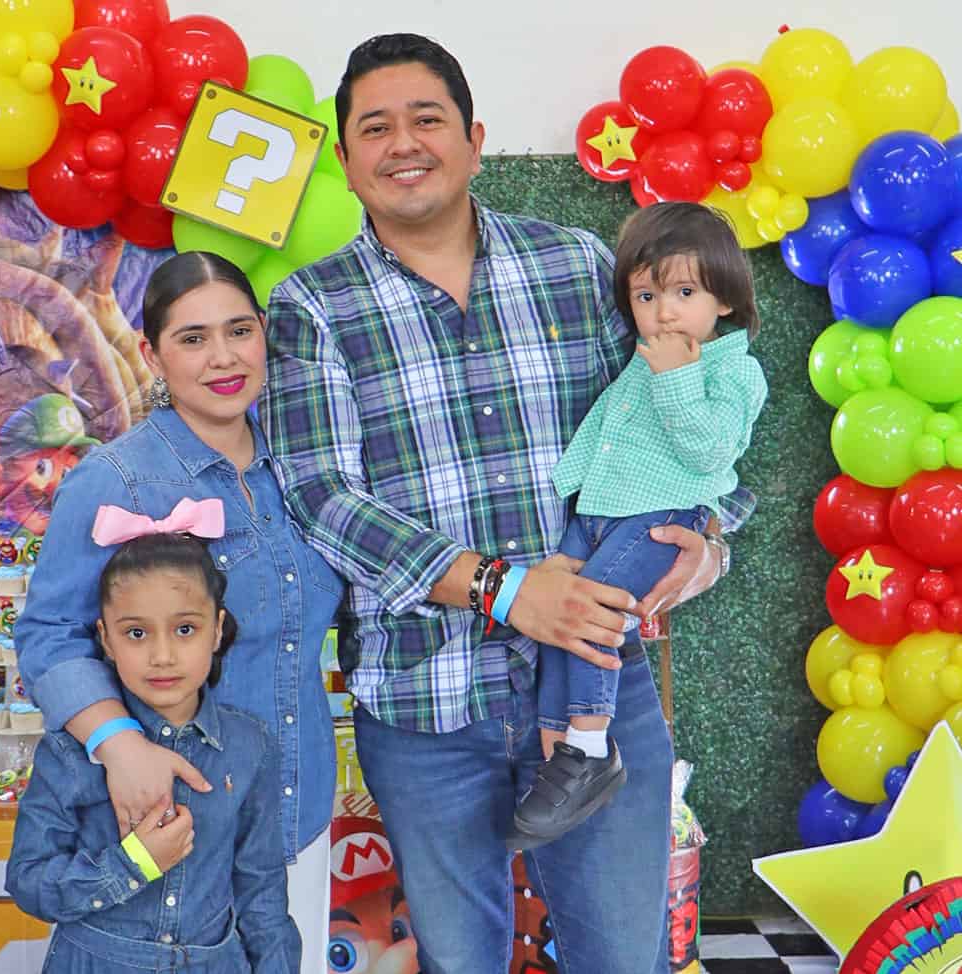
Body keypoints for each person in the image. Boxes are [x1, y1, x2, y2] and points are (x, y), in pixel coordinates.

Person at [259, 33, 751, 974]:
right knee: (462, 961)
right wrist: (505, 588)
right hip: (427, 704)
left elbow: (687, 415)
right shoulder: (311, 306)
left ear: (475, 140)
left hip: (599, 686)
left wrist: (710, 543)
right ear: (347, 161)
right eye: (376, 128)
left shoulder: (576, 266)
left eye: (427, 119)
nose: (405, 143)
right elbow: (321, 496)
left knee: (625, 959)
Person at [15, 252, 344, 974]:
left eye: (239, 331)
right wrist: (120, 745)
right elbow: (48, 635)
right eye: (193, 338)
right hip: (174, 818)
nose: (223, 358)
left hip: (296, 808)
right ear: (151, 353)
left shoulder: (308, 467)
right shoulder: (115, 479)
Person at [511, 202, 767, 846]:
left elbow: (710, 453)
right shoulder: (645, 354)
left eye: (685, 293)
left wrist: (677, 378)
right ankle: (559, 753)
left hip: (660, 513)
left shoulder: (733, 371)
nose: (665, 312)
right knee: (556, 613)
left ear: (725, 299)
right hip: (599, 507)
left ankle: (590, 747)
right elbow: (611, 423)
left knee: (592, 616)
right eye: (647, 296)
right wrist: (571, 487)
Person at [6, 516, 302, 972]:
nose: (162, 656)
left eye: (185, 629)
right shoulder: (70, 752)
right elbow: (28, 881)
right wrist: (130, 866)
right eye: (136, 633)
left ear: (217, 629)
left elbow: (261, 892)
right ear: (106, 639)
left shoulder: (251, 746)